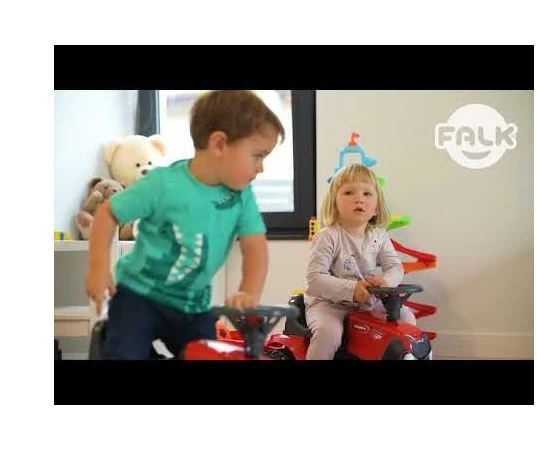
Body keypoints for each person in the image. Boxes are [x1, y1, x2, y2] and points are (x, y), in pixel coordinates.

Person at [85, 90, 285, 359]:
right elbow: (108, 213)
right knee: (125, 353)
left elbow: (256, 247)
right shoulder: (163, 183)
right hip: (139, 296)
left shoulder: (241, 196)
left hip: (193, 306)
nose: (261, 168)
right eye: (257, 156)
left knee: (210, 355)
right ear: (219, 144)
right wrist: (98, 269)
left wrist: (248, 292)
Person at [304, 163, 416, 360]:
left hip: (370, 302)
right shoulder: (328, 236)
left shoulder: (379, 236)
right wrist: (351, 289)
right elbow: (315, 278)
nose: (359, 199)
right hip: (330, 304)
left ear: (376, 207)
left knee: (406, 318)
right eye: (349, 193)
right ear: (334, 203)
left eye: (367, 194)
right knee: (328, 333)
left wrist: (386, 281)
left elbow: (395, 267)